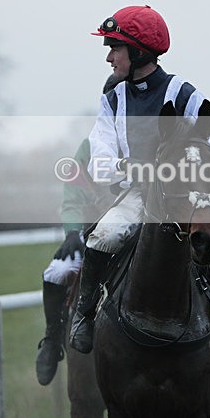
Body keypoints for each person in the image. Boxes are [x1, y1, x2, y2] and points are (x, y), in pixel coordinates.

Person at [68, 5, 210, 354]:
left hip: (183, 193)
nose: (110, 58)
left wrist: (191, 167)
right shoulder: (113, 100)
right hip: (137, 195)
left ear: (138, 51)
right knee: (103, 235)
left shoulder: (184, 94)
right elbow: (101, 160)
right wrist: (133, 169)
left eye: (115, 48)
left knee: (207, 233)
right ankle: (84, 313)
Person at [35, 77, 119, 386]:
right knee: (55, 272)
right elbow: (72, 198)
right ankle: (52, 341)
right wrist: (72, 232)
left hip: (141, 229)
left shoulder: (149, 141)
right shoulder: (89, 148)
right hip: (95, 232)